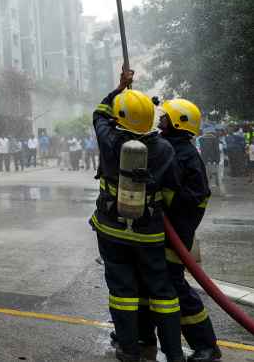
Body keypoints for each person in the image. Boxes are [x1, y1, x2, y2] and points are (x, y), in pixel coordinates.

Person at [91, 69, 183, 362]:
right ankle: (174, 351)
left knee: (122, 290)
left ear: (120, 119)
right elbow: (172, 190)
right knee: (161, 291)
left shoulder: (110, 141)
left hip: (112, 228)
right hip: (150, 231)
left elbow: (99, 113)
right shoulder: (166, 149)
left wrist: (119, 88)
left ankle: (129, 349)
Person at [135, 99, 220, 362]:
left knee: (173, 286)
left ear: (178, 123)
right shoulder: (172, 147)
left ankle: (206, 345)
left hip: (175, 234)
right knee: (148, 281)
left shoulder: (183, 153)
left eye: (164, 119)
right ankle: (141, 335)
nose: (160, 123)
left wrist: (160, 193)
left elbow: (191, 198)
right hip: (162, 230)